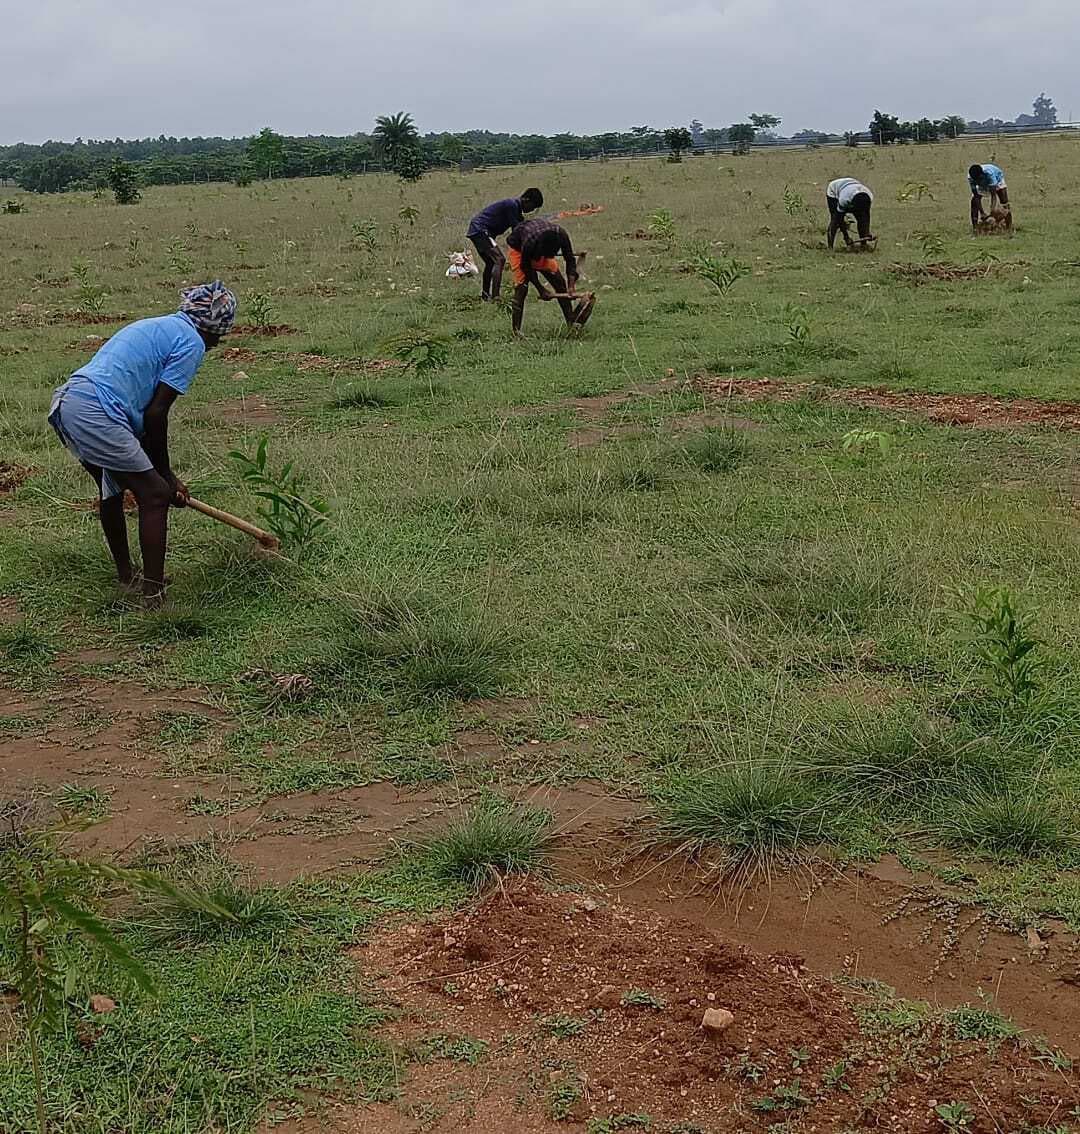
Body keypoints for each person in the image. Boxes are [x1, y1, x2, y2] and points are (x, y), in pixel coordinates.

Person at [47, 281, 237, 606]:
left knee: (111, 488)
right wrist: (166, 477)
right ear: (214, 329)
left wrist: (162, 474)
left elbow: (144, 416)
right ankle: (154, 596)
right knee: (155, 495)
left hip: (69, 402)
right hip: (96, 411)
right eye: (220, 335)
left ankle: (128, 577)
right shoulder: (191, 341)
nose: (218, 343)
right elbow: (156, 414)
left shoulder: (161, 326)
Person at [506, 218, 589, 336]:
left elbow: (570, 259)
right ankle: (516, 332)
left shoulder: (561, 235)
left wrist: (571, 286)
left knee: (560, 284)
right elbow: (525, 266)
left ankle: (571, 324)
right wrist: (541, 289)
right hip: (518, 250)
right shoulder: (529, 242)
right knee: (521, 289)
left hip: (539, 250)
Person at [466, 188, 544, 301]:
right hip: (481, 229)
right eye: (532, 206)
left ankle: (485, 295)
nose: (531, 210)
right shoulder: (512, 205)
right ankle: (496, 297)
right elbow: (517, 231)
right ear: (526, 199)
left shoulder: (516, 210)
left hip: (478, 230)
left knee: (491, 263)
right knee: (499, 260)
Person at [826, 178, 874, 249]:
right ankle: (830, 248)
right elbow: (839, 219)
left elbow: (866, 216)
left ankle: (863, 245)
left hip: (852, 185)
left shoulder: (869, 196)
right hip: (834, 190)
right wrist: (846, 237)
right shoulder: (844, 200)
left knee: (861, 219)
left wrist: (867, 232)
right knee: (835, 220)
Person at [968, 163, 1010, 230]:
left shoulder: (990, 174)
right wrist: (982, 213)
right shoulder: (971, 178)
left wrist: (992, 210)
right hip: (982, 184)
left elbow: (993, 194)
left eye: (979, 179)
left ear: (982, 174)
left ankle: (1009, 226)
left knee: (1004, 200)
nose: (978, 181)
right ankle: (975, 228)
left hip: (998, 179)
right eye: (976, 180)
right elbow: (976, 196)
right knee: (973, 202)